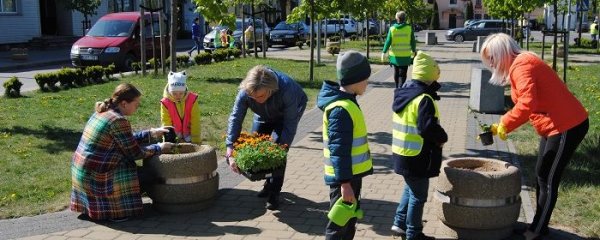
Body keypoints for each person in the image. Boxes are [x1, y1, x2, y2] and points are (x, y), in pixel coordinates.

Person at [480, 33, 589, 240]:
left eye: (492, 57)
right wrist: (499, 126)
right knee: (542, 174)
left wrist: (505, 122)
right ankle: (540, 224)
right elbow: (528, 103)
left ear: (502, 52)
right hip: (553, 125)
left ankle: (537, 230)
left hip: (567, 124)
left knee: (547, 177)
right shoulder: (519, 65)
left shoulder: (522, 66)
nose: (491, 63)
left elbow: (526, 104)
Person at [71, 83, 174, 222]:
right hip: (97, 178)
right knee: (150, 174)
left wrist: (151, 133)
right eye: (136, 104)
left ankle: (96, 208)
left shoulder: (103, 113)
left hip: (82, 175)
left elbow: (125, 140)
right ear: (124, 103)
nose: (138, 107)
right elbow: (135, 153)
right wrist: (159, 148)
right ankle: (116, 211)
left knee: (136, 169)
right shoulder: (118, 121)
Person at [225, 65, 308, 210]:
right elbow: (236, 117)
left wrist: (281, 149)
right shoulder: (246, 92)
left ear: (271, 89)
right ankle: (267, 184)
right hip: (263, 114)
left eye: (260, 96)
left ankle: (274, 192)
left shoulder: (286, 90)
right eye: (253, 97)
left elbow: (289, 126)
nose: (256, 100)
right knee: (257, 143)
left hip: (287, 114)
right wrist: (230, 146)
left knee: (277, 149)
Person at [390, 51, 447, 240]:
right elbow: (427, 127)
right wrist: (442, 137)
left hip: (402, 151)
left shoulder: (405, 93)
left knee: (410, 187)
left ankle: (399, 223)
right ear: (429, 77)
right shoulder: (424, 98)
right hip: (417, 154)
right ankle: (413, 233)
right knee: (418, 196)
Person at [316, 51, 374, 240]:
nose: (367, 83)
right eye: (366, 79)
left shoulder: (348, 102)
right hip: (344, 179)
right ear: (355, 80)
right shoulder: (340, 109)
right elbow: (338, 151)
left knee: (348, 221)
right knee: (338, 225)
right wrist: (345, 184)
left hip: (350, 175)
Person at [160, 71, 201, 144]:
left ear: (185, 90)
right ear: (169, 91)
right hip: (174, 136)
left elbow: (195, 120)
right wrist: (168, 142)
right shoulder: (165, 103)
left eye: (181, 93)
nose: (178, 96)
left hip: (189, 135)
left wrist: (196, 140)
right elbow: (166, 123)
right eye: (174, 93)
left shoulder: (192, 99)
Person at [381, 11, 416, 88]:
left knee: (396, 72)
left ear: (397, 18)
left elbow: (388, 41)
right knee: (403, 74)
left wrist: (383, 52)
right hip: (405, 56)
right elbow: (413, 41)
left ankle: (397, 87)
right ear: (404, 18)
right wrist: (414, 51)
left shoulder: (392, 29)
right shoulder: (409, 29)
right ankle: (400, 88)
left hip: (394, 56)